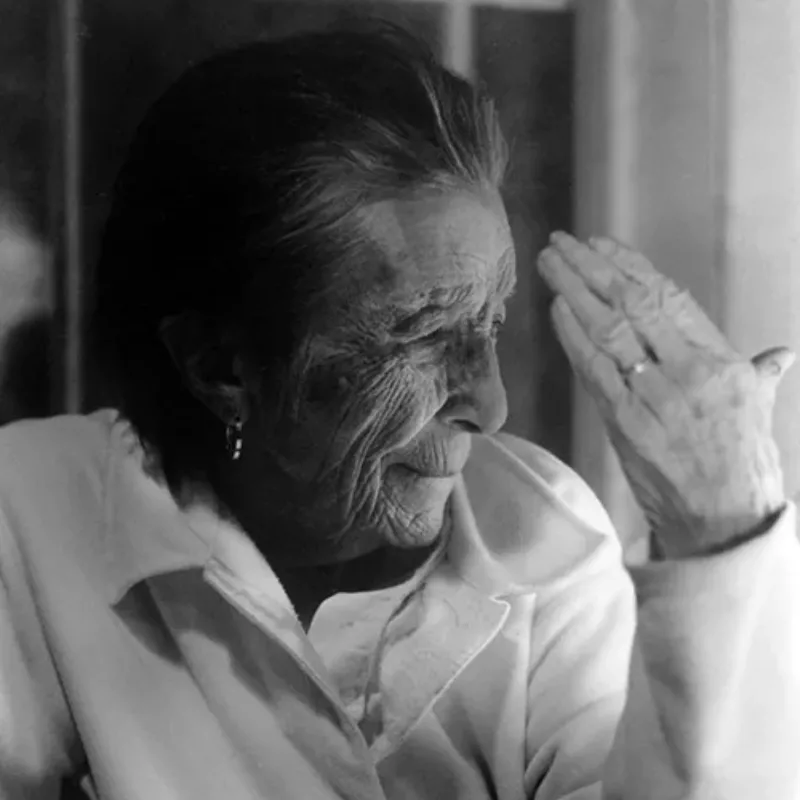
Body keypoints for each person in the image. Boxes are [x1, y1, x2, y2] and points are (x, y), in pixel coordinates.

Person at [1, 22, 799, 800]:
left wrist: (718, 533)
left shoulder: (544, 538)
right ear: (219, 367)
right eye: (422, 334)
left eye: (491, 324)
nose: (491, 405)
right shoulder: (27, 517)